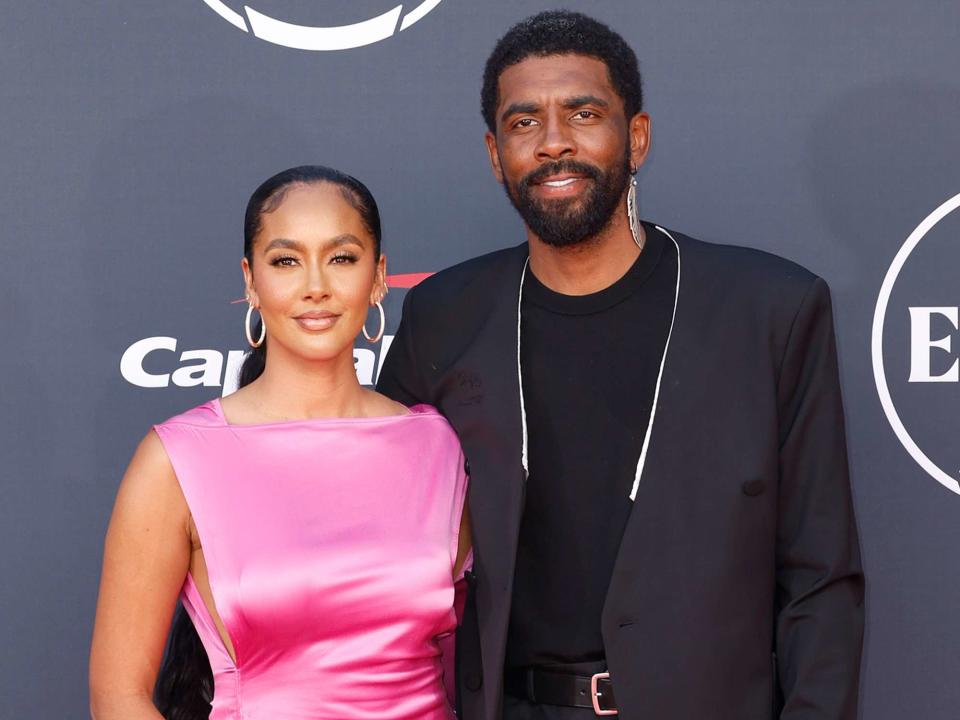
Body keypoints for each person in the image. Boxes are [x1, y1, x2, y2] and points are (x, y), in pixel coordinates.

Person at [377, 10, 863, 720]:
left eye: (583, 113)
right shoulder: (445, 314)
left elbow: (821, 582)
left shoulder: (771, 311)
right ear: (493, 152)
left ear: (636, 137)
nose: (552, 143)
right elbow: (377, 540)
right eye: (522, 123)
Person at [89, 165, 472, 720]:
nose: (315, 285)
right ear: (250, 280)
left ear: (380, 275)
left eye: (341, 257)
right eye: (286, 260)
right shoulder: (178, 459)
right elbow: (118, 697)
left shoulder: (439, 448)